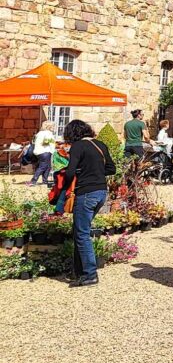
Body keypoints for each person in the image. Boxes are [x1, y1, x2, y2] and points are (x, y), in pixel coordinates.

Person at [64, 120, 116, 287]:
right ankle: (78, 271)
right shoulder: (100, 144)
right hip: (101, 192)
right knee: (80, 230)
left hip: (86, 192)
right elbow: (111, 169)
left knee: (82, 234)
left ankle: (89, 274)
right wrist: (94, 170)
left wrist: (65, 187)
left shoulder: (78, 146)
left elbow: (70, 171)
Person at [29, 121, 57, 186]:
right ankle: (33, 180)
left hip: (40, 152)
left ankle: (45, 180)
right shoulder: (48, 133)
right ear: (49, 127)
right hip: (45, 151)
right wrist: (52, 141)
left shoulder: (40, 133)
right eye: (53, 126)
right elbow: (45, 142)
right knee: (43, 167)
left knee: (48, 167)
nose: (54, 127)